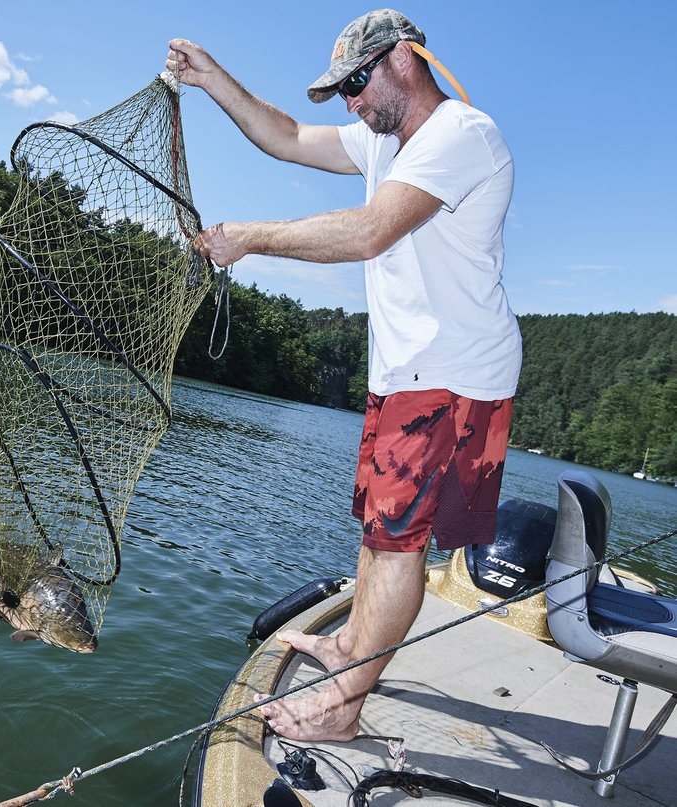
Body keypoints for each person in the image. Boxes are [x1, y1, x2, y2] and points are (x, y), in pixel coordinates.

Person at [166, 8, 521, 742]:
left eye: (357, 82)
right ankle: (349, 647)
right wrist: (210, 80)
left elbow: (370, 231)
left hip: (453, 377)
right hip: (406, 372)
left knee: (398, 544)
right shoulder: (383, 142)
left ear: (403, 59)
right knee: (377, 531)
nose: (352, 102)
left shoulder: (461, 135)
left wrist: (253, 238)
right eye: (343, 91)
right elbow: (287, 136)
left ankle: (342, 708)